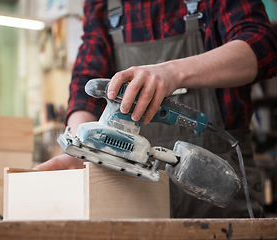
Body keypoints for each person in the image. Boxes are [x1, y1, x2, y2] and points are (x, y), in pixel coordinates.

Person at [36, 0, 277, 218]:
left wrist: (173, 72)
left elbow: (261, 46)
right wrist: (83, 151)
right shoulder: (102, 5)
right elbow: (85, 88)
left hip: (219, 181)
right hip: (132, 195)